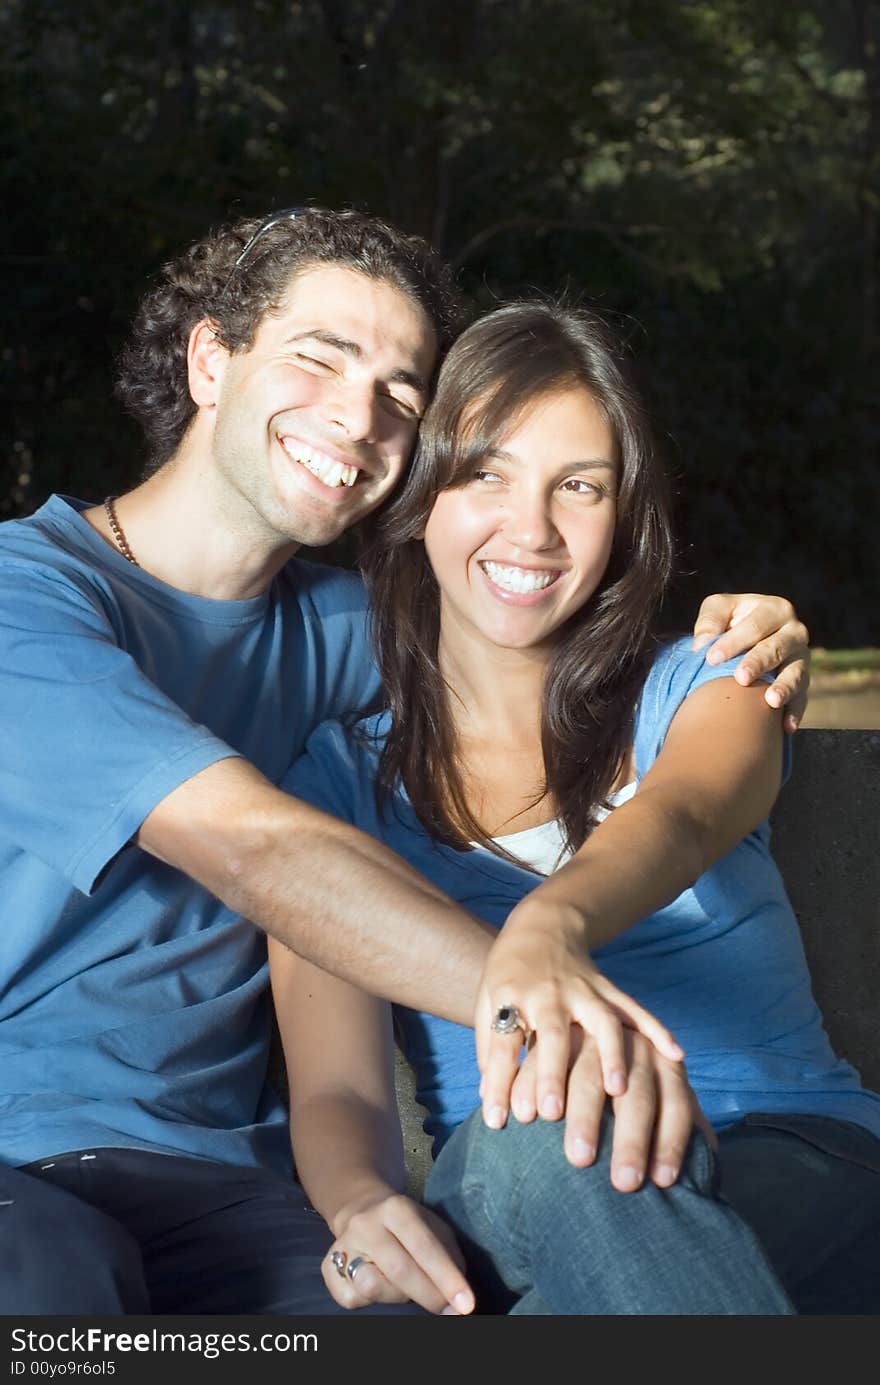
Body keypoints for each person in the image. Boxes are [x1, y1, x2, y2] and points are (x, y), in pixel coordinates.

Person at [0, 207, 812, 1315]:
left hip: (228, 1186)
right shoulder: (23, 597)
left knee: (414, 1312)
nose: (358, 414)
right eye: (319, 358)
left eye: (400, 394)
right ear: (208, 359)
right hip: (20, 1163)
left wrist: (751, 636)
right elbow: (251, 844)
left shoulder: (353, 632)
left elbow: (520, 610)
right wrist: (552, 1004)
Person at [277, 298, 880, 1316]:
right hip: (510, 1179)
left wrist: (547, 931)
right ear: (422, 496)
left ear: (624, 515)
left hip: (792, 1148)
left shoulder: (709, 682)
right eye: (487, 474)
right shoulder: (335, 784)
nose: (534, 529)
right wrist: (362, 1204)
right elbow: (337, 1087)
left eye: (580, 487)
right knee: (550, 1122)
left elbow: (684, 817)